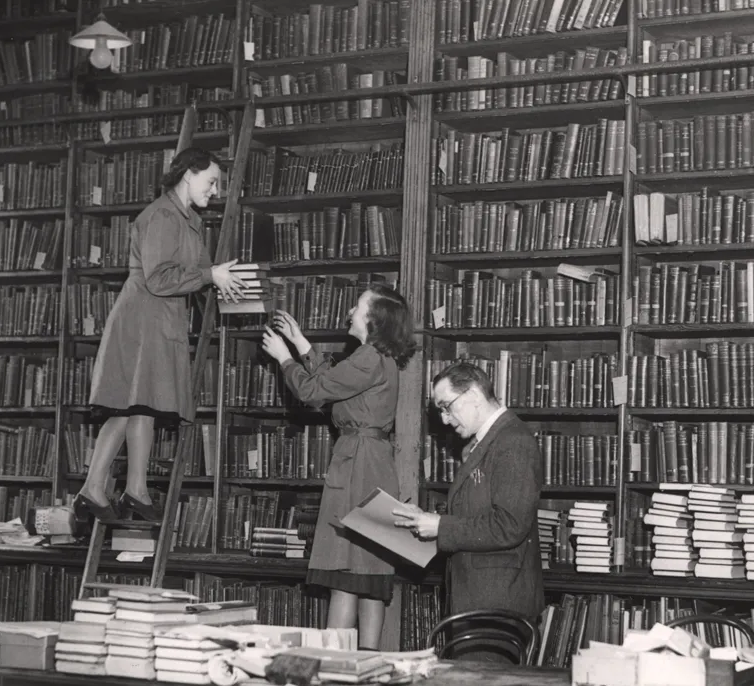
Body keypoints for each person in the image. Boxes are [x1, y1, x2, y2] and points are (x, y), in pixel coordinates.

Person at [73, 147, 247, 523]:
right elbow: (159, 278)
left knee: (143, 405)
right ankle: (93, 487)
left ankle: (133, 488)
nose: (214, 191)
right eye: (211, 182)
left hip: (160, 319)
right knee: (128, 405)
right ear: (189, 175)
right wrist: (210, 275)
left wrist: (227, 281)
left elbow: (201, 272)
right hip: (141, 318)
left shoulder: (188, 220)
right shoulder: (163, 216)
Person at [260, 284, 415, 650]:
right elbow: (333, 383)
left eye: (357, 306)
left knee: (345, 574)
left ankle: (334, 663)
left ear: (373, 319)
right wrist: (301, 343)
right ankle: (369, 658)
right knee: (369, 574)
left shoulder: (367, 357)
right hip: (372, 463)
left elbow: (314, 392)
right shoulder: (377, 358)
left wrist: (285, 359)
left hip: (358, 466)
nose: (349, 312)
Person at [393, 361, 544, 660]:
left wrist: (441, 527)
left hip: (498, 601)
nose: (445, 419)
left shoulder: (513, 441)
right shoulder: (490, 441)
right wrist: (427, 521)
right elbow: (479, 512)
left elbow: (510, 525)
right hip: (480, 597)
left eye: (447, 406)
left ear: (473, 394)